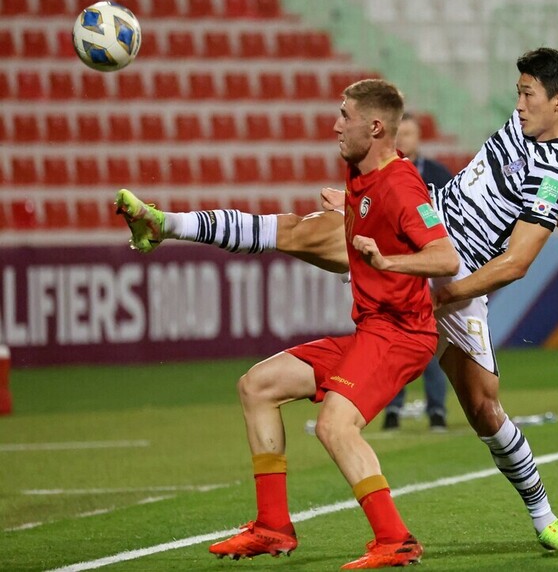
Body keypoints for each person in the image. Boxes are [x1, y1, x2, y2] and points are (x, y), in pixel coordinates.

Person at [119, 47, 558, 554]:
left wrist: (443, 295)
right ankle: (166, 224)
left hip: (454, 272)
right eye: (518, 92)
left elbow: (516, 263)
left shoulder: (556, 168)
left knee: (484, 409)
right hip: (424, 223)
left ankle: (545, 519)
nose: (518, 104)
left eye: (528, 94)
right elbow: (511, 188)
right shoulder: (525, 131)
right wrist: (554, 215)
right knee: (299, 231)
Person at [118, 79, 460, 569]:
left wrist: (388, 262)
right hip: (372, 331)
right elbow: (308, 229)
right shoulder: (360, 173)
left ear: (375, 127)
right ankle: (272, 526)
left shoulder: (401, 185)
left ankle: (395, 539)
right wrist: (350, 214)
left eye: (345, 115)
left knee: (335, 425)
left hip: (402, 335)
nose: (335, 125)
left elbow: (445, 257)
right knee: (258, 385)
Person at [384, 112, 455, 431]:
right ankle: (392, 408)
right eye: (398, 134)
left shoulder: (438, 174)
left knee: (434, 336)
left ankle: (436, 409)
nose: (402, 139)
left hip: (430, 263)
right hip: (396, 265)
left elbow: (453, 214)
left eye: (408, 133)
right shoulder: (381, 173)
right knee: (394, 338)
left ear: (419, 137)